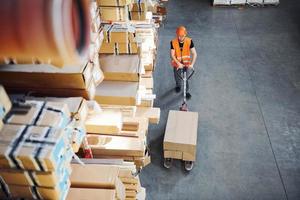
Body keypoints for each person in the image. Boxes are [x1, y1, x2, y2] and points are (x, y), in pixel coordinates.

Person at [170, 26, 197, 99]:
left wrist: (192, 64)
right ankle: (178, 86)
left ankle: (186, 91)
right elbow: (172, 55)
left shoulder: (189, 41)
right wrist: (178, 63)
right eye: (179, 36)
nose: (180, 37)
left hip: (186, 64)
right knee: (177, 76)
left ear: (185, 34)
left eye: (182, 36)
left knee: (186, 78)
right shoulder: (173, 42)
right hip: (177, 63)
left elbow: (194, 53)